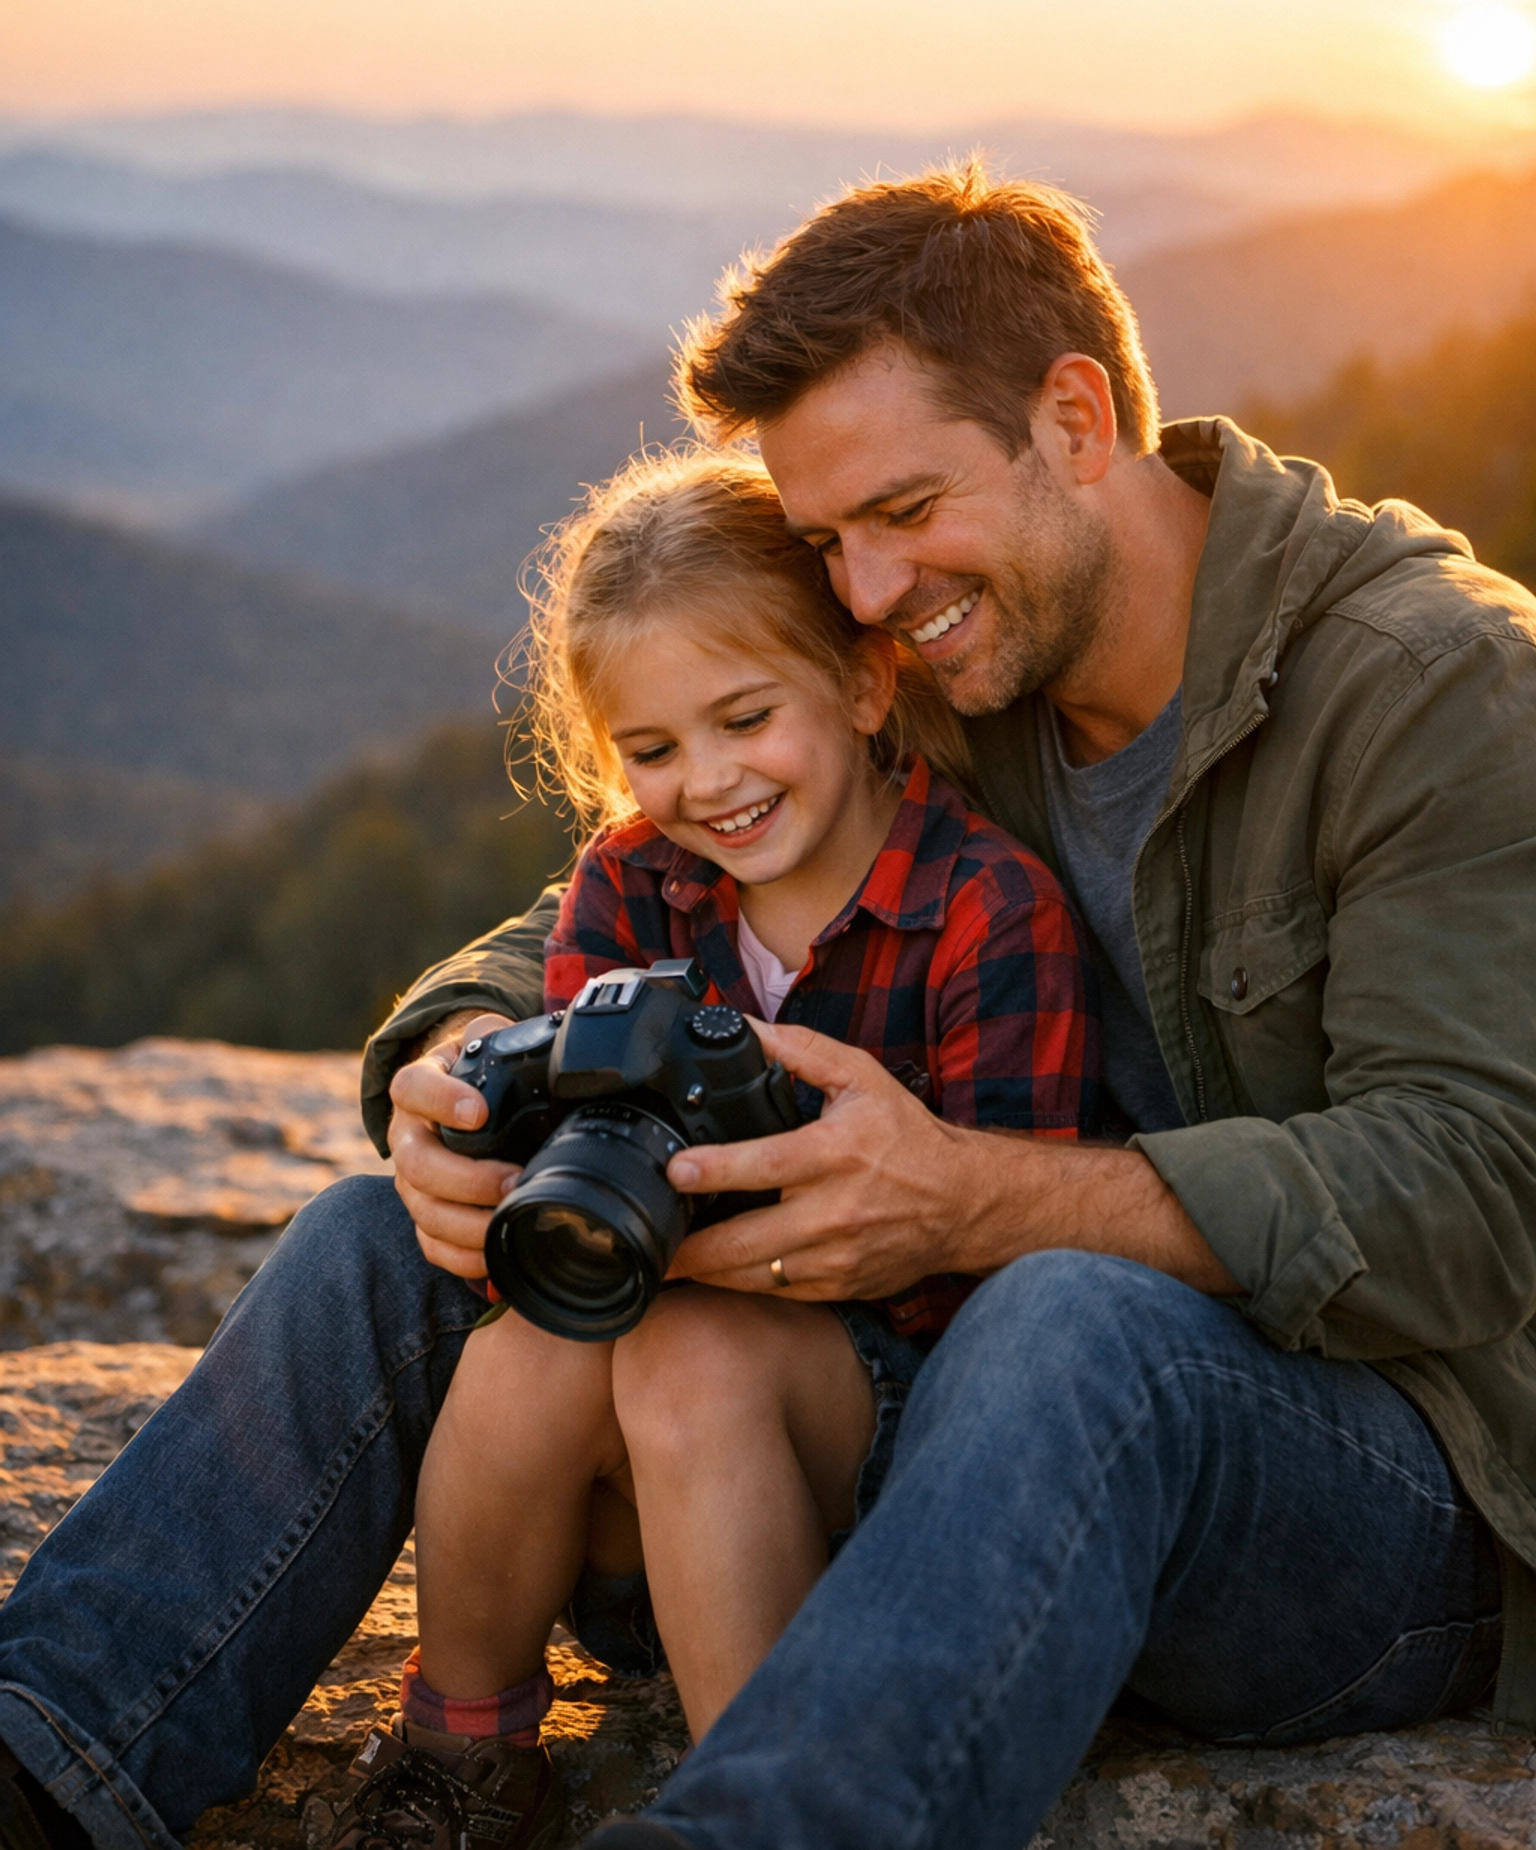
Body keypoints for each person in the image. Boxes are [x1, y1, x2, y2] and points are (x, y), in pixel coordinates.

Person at [3, 160, 1535, 1850]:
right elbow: (646, 880)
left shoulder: (1431, 692)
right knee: (389, 1244)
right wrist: (455, 1060)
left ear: (1077, 418)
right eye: (825, 542)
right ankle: (55, 1744)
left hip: (1352, 1508)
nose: (865, 595)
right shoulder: (969, 658)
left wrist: (986, 1197)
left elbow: (1478, 1188)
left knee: (1071, 1313)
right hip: (892, 1446)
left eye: (902, 512)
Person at [347, 449, 1093, 1850]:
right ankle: (464, 1762)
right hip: (628, 1491)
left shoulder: (987, 912)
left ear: (867, 686)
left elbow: (1011, 1282)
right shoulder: (630, 883)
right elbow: (575, 1167)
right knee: (529, 1351)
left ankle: (770, 1810)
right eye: (653, 750)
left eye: (747, 718)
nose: (710, 783)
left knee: (690, 1354)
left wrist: (758, 1244)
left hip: (881, 1450)